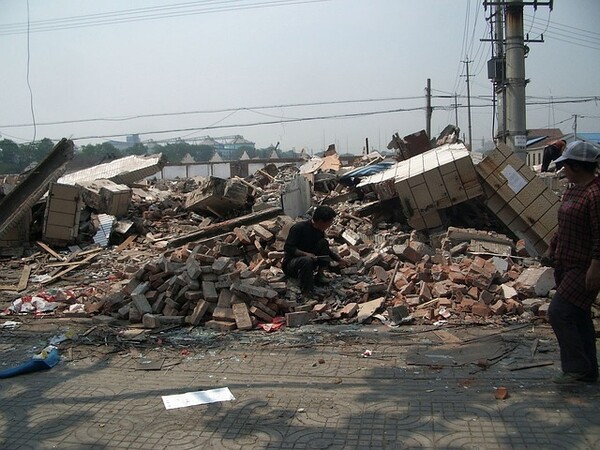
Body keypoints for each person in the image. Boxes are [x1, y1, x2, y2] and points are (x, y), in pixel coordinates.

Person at [545, 140, 600, 384]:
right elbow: (564, 223)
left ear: (577, 167)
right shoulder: (572, 189)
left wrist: (596, 266)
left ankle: (576, 368)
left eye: (565, 166)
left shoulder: (595, 193)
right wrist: (552, 246)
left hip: (584, 266)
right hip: (565, 263)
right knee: (578, 315)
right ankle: (589, 369)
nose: (562, 171)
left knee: (559, 312)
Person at [282, 205, 344, 299]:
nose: (329, 226)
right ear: (320, 221)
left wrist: (339, 259)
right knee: (306, 260)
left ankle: (320, 275)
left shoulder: (319, 231)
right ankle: (306, 292)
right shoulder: (298, 228)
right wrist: (306, 254)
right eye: (328, 223)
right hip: (291, 264)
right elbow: (288, 247)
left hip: (310, 262)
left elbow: (326, 250)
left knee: (324, 243)